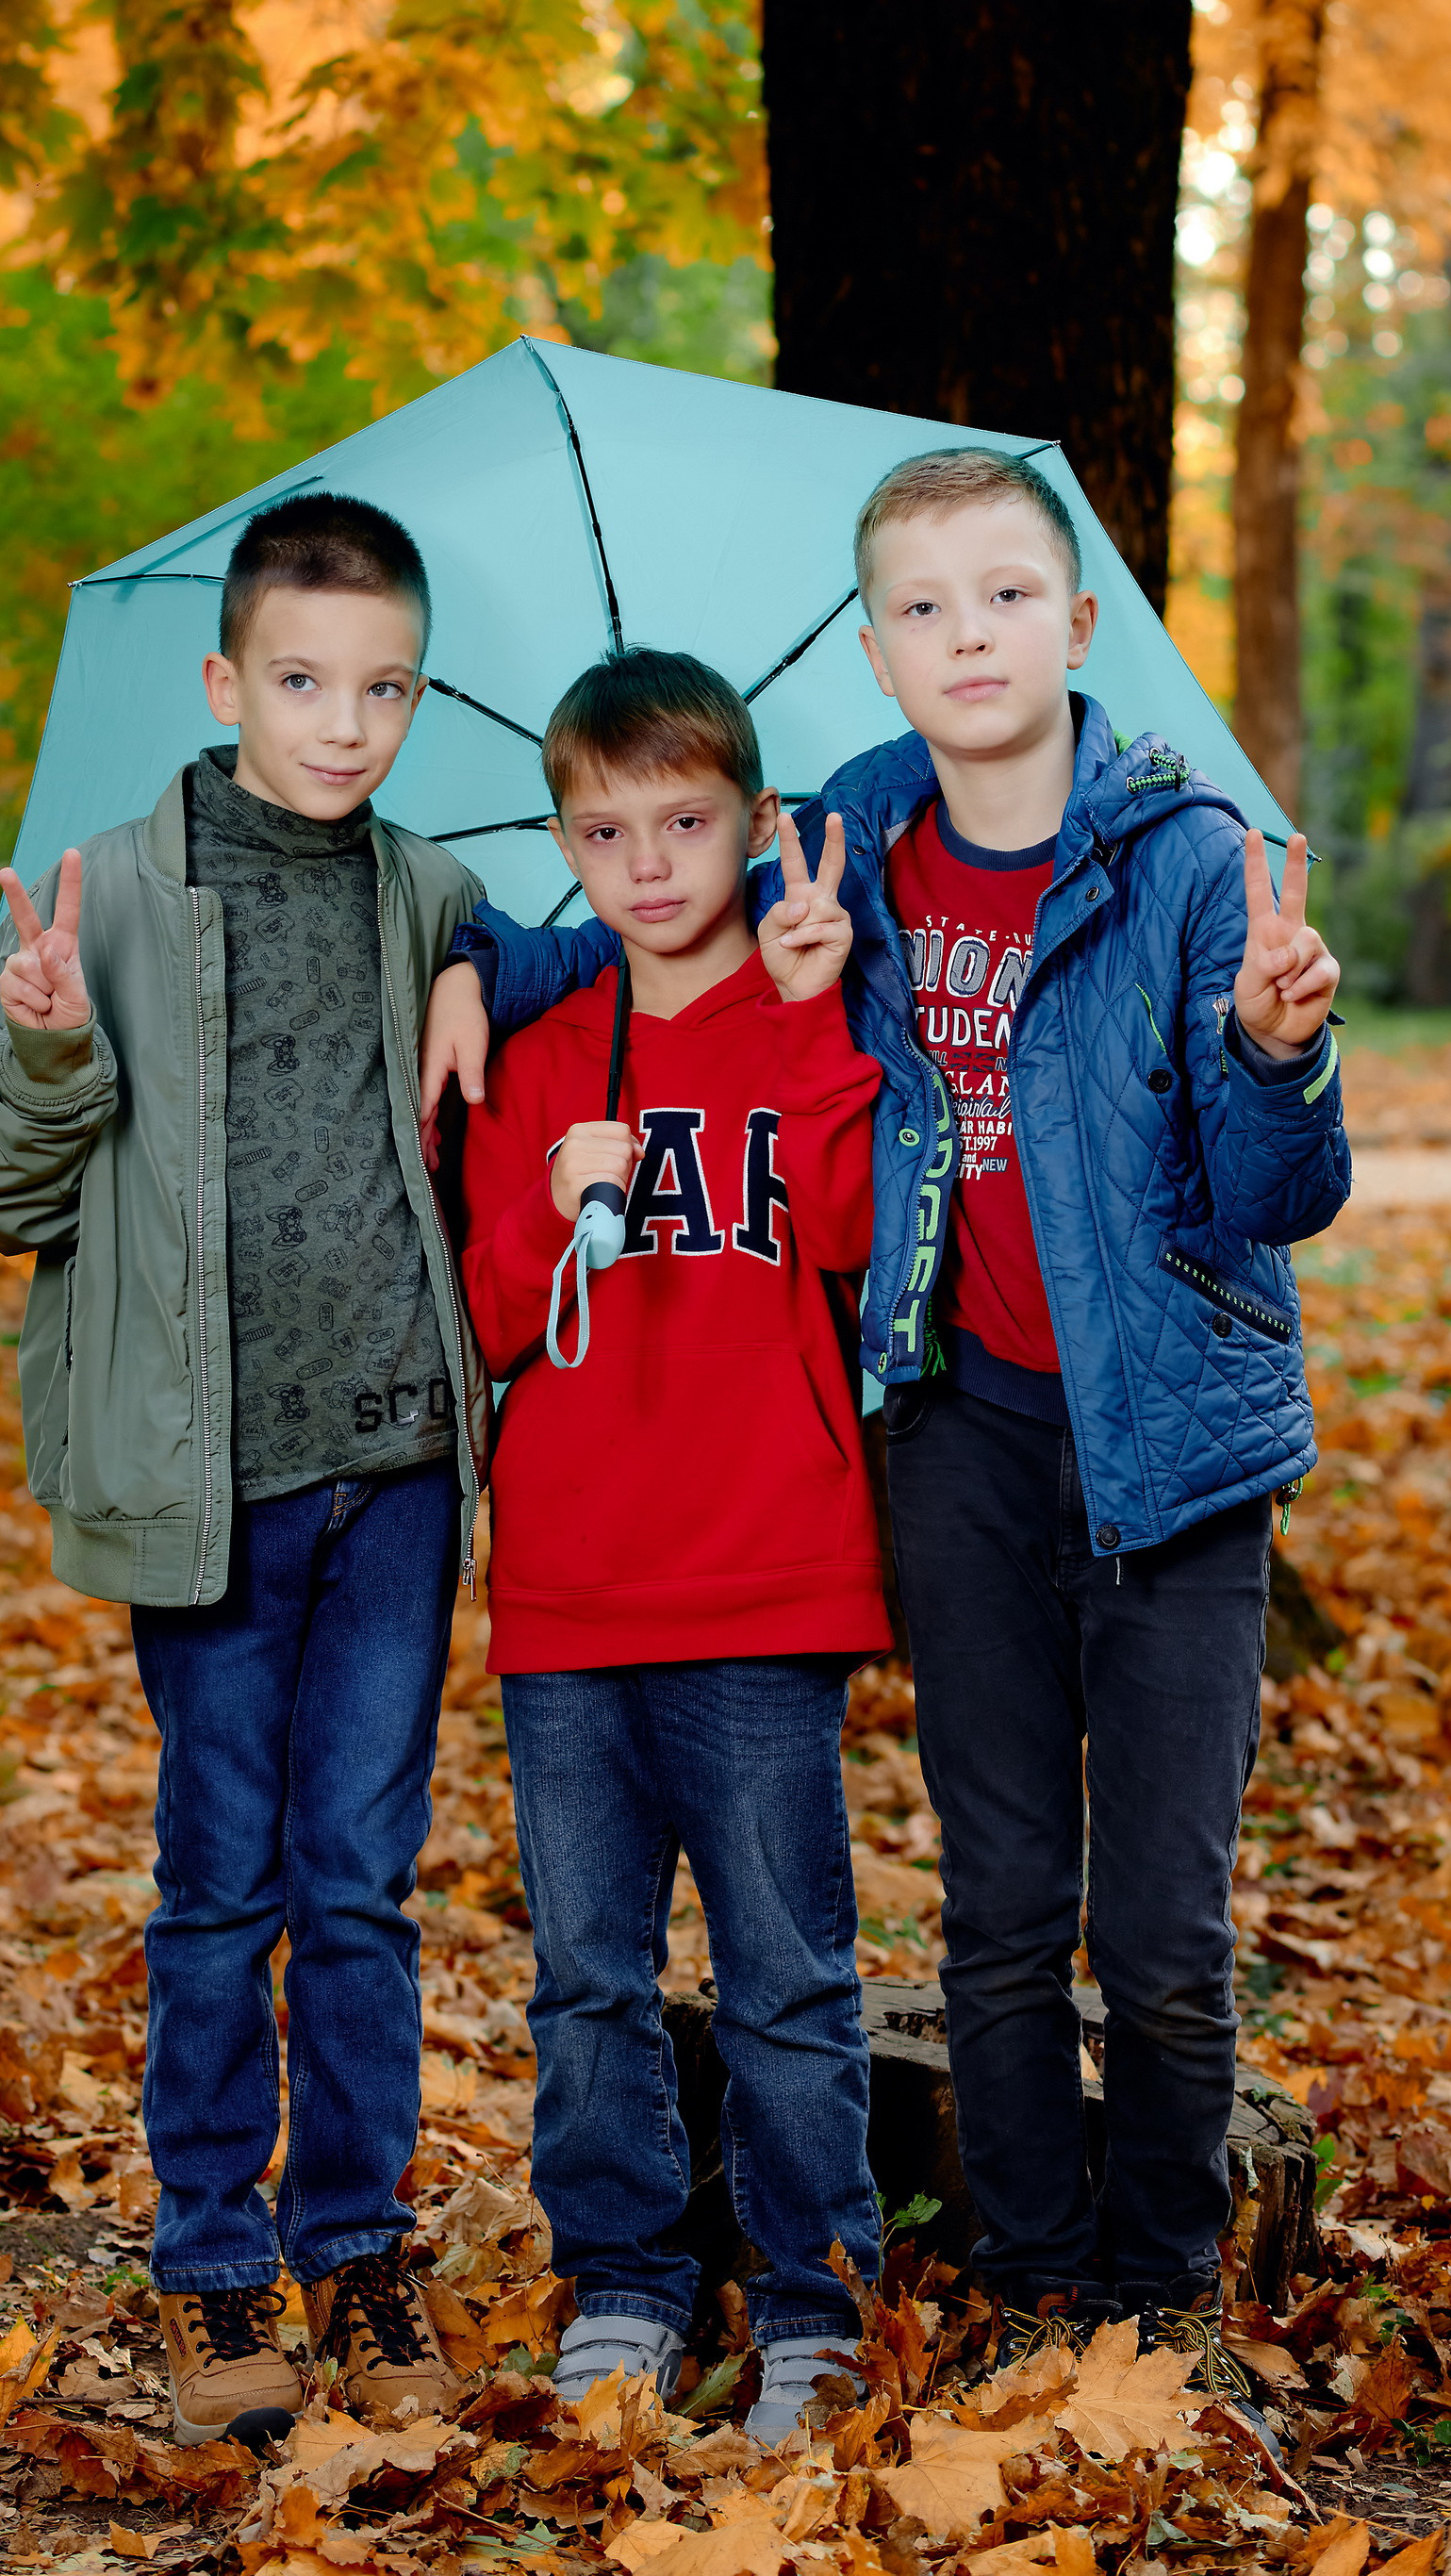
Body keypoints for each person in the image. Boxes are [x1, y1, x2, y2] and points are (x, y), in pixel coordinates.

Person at [422, 451, 1348, 2391]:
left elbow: (1273, 1193)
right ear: (876, 652)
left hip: (1168, 1438)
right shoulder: (843, 835)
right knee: (1003, 1898)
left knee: (1161, 1923)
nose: (967, 638)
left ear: (1077, 626)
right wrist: (465, 960)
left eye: (1005, 598)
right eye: (923, 611)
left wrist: (1279, 1050)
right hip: (957, 1430)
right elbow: (631, 911)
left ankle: (1155, 2284)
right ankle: (1025, 2269)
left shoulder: (1183, 856)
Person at [0, 496, 487, 2448]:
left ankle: (353, 2248)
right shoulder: (99, 893)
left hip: (400, 1474)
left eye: (384, 688)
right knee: (218, 1886)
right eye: (302, 682)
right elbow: (0, 1188)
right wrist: (46, 1056)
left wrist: (478, 969)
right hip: (210, 1485)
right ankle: (205, 2263)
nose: (343, 724)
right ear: (224, 680)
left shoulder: (427, 889)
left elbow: (542, 973)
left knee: (361, 1891)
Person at [459, 648, 892, 2448]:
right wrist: (552, 1199)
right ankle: (623, 2278)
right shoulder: (539, 1055)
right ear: (568, 843)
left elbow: (864, 1232)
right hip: (570, 1590)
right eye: (606, 830)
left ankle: (815, 2290)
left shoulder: (814, 1020)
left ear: (754, 825)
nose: (648, 863)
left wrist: (804, 1014)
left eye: (687, 821)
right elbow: (481, 1316)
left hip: (766, 1568)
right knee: (589, 1976)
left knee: (789, 1969)